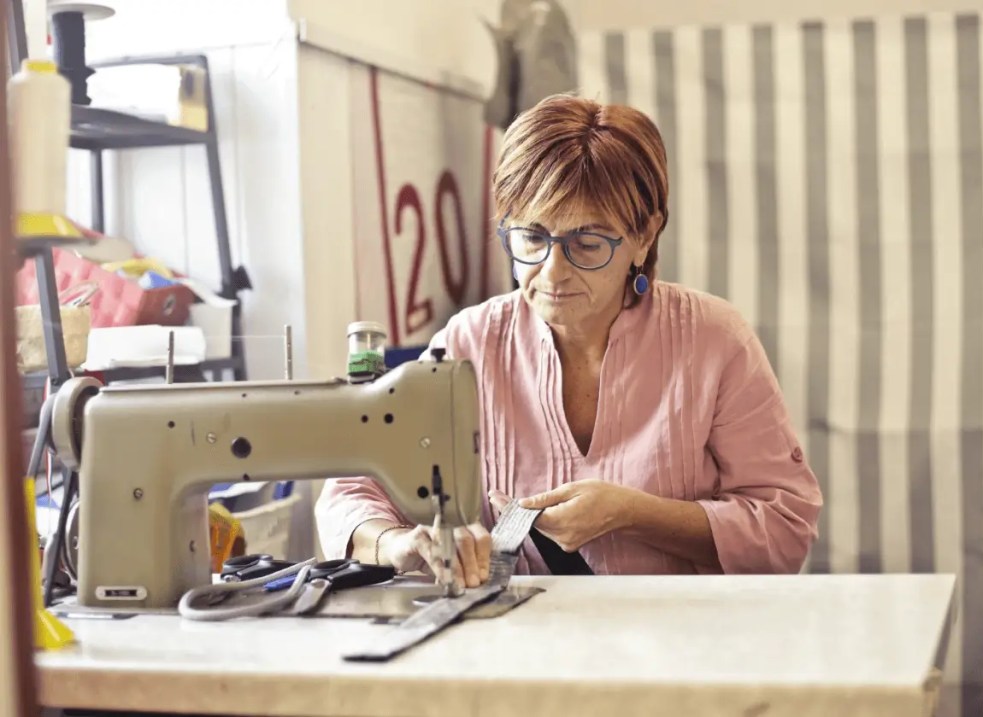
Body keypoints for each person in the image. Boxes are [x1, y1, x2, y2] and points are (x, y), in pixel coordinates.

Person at [315, 94, 822, 589]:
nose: (553, 272)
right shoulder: (469, 342)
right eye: (532, 238)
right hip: (523, 647)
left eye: (587, 243)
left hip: (684, 643)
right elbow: (350, 489)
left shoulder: (713, 340)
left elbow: (785, 528)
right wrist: (396, 544)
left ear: (644, 236)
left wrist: (634, 513)